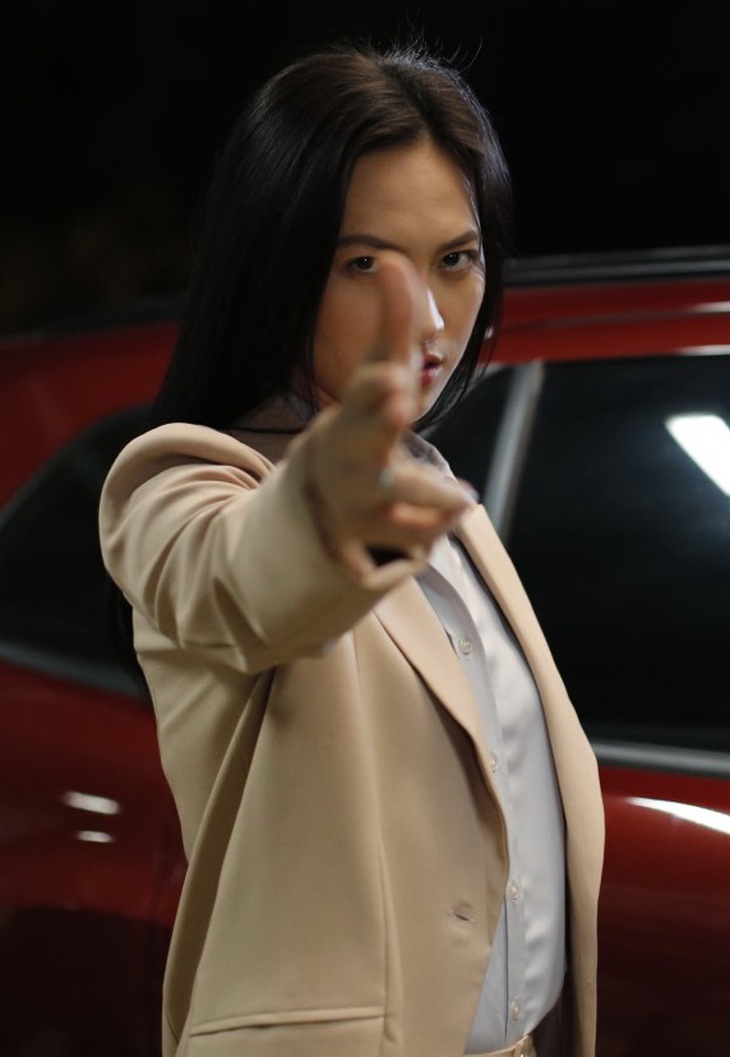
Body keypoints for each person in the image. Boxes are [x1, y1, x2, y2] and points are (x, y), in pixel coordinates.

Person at [99, 37, 604, 1057]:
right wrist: (324, 498)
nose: (425, 317)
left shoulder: (441, 495)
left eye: (455, 259)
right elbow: (239, 576)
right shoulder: (183, 484)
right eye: (363, 263)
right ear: (277, 267)